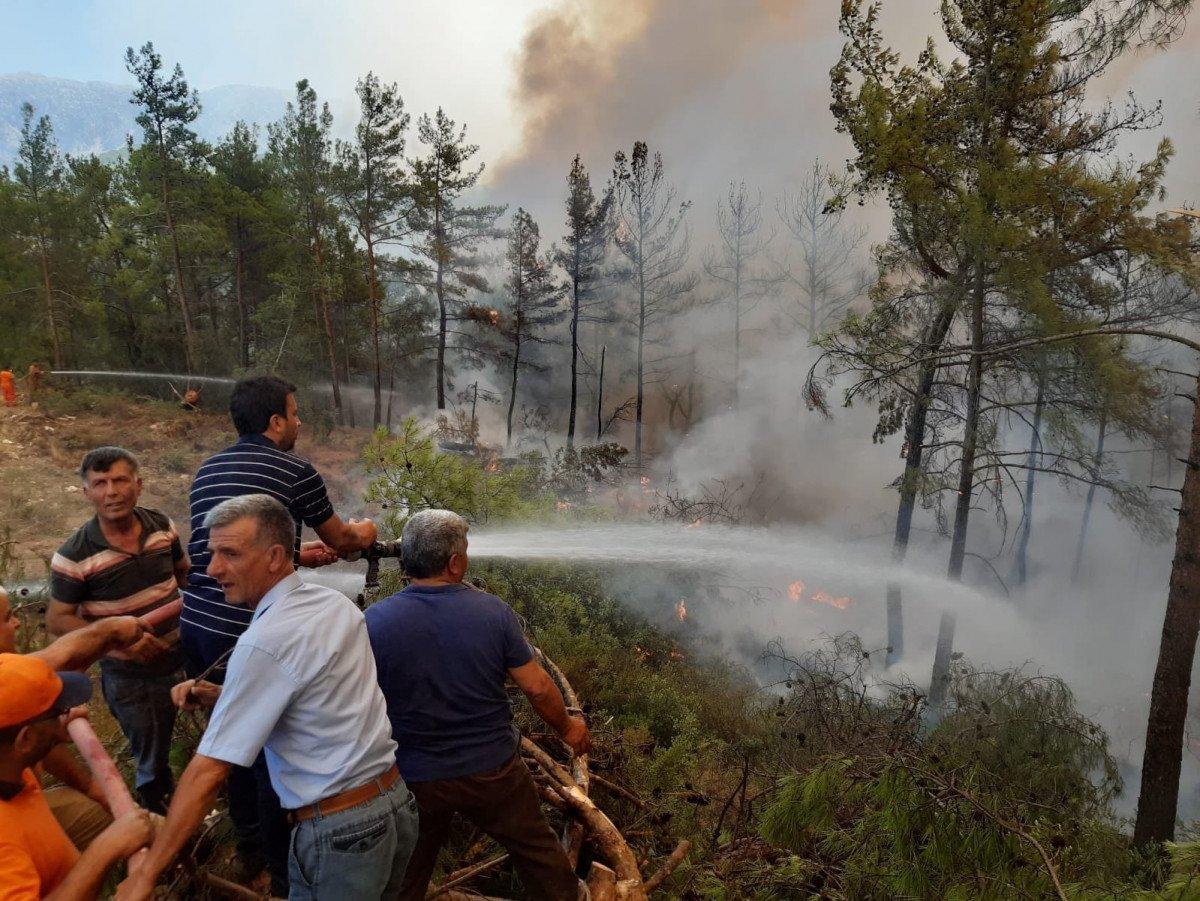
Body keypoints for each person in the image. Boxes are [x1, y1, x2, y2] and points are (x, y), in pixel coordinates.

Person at [116, 494, 417, 901]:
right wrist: (222, 694)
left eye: (230, 553)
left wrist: (146, 874)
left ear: (276, 555)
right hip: (394, 807)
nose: (213, 568)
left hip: (342, 834)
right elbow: (315, 699)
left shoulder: (264, 644)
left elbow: (208, 772)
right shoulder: (334, 606)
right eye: (211, 552)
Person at [179, 375, 377, 893]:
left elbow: (218, 554)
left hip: (199, 621)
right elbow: (344, 540)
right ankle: (282, 869)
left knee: (232, 739)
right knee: (270, 751)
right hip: (245, 626)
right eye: (294, 413)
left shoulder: (207, 469)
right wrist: (366, 532)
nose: (299, 423)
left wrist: (296, 556)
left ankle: (247, 848)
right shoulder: (292, 469)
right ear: (275, 422)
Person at [365, 510, 592, 901]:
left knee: (406, 875)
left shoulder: (374, 621)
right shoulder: (492, 612)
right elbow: (537, 688)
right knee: (538, 854)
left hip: (414, 776)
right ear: (455, 563)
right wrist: (570, 729)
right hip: (492, 772)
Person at [46, 447, 188, 816]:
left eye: (120, 480)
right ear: (87, 493)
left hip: (186, 656)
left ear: (138, 485)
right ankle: (161, 833)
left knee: (211, 734)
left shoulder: (161, 526)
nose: (112, 492)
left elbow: (183, 572)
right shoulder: (74, 555)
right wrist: (116, 646)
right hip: (131, 679)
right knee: (153, 763)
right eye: (100, 483)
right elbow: (59, 620)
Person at [1, 584, 150, 853]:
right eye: (5, 618)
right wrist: (106, 631)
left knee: (104, 816)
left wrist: (92, 788)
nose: (16, 624)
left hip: (23, 797)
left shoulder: (11, 699)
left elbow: (29, 738)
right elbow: (53, 659)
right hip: (11, 825)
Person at [0, 653, 155, 900]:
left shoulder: (11, 768)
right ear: (26, 739)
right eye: (57, 711)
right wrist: (104, 851)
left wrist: (54, 727)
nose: (68, 713)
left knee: (154, 827)